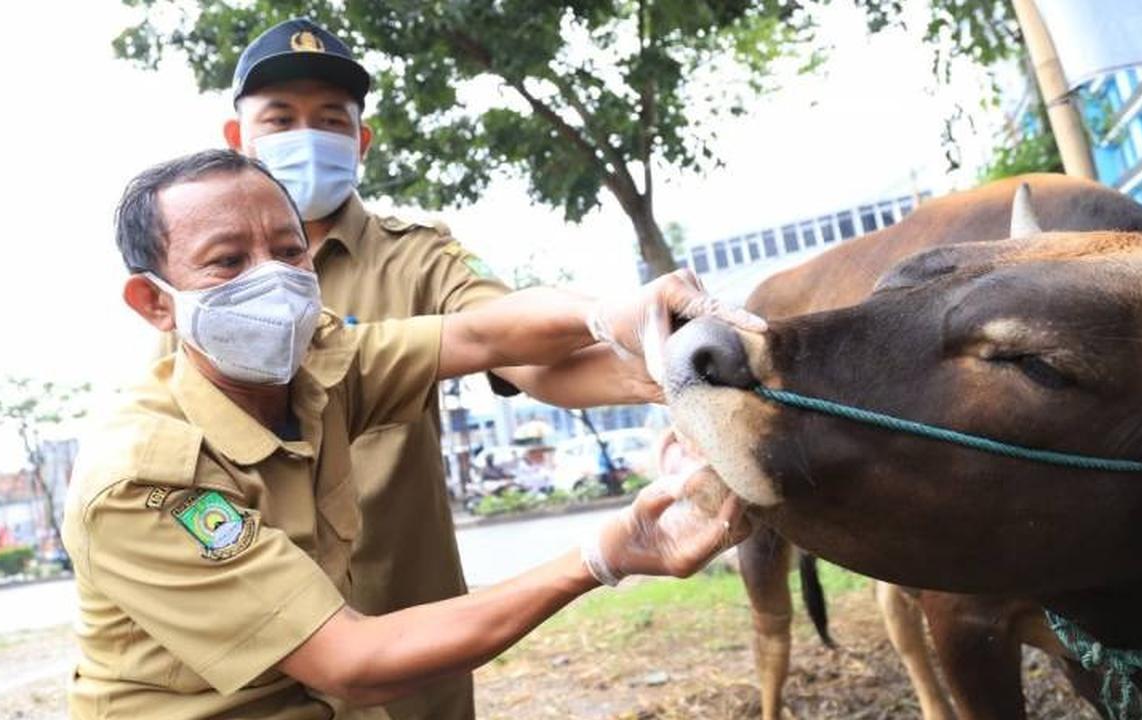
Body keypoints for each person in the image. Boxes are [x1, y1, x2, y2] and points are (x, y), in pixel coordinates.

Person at [63, 149, 757, 719]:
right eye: (227, 261)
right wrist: (605, 556)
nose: (271, 279)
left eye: (288, 250)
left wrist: (611, 314)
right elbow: (351, 662)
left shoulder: (318, 365)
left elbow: (480, 335)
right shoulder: (144, 479)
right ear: (154, 301)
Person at [202, 19, 675, 718]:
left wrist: (667, 368)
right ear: (237, 138)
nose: (307, 137)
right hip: (266, 634)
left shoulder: (416, 255)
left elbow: (519, 347)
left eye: (330, 120)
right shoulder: (203, 279)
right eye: (280, 119)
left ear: (360, 141)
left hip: (413, 620)